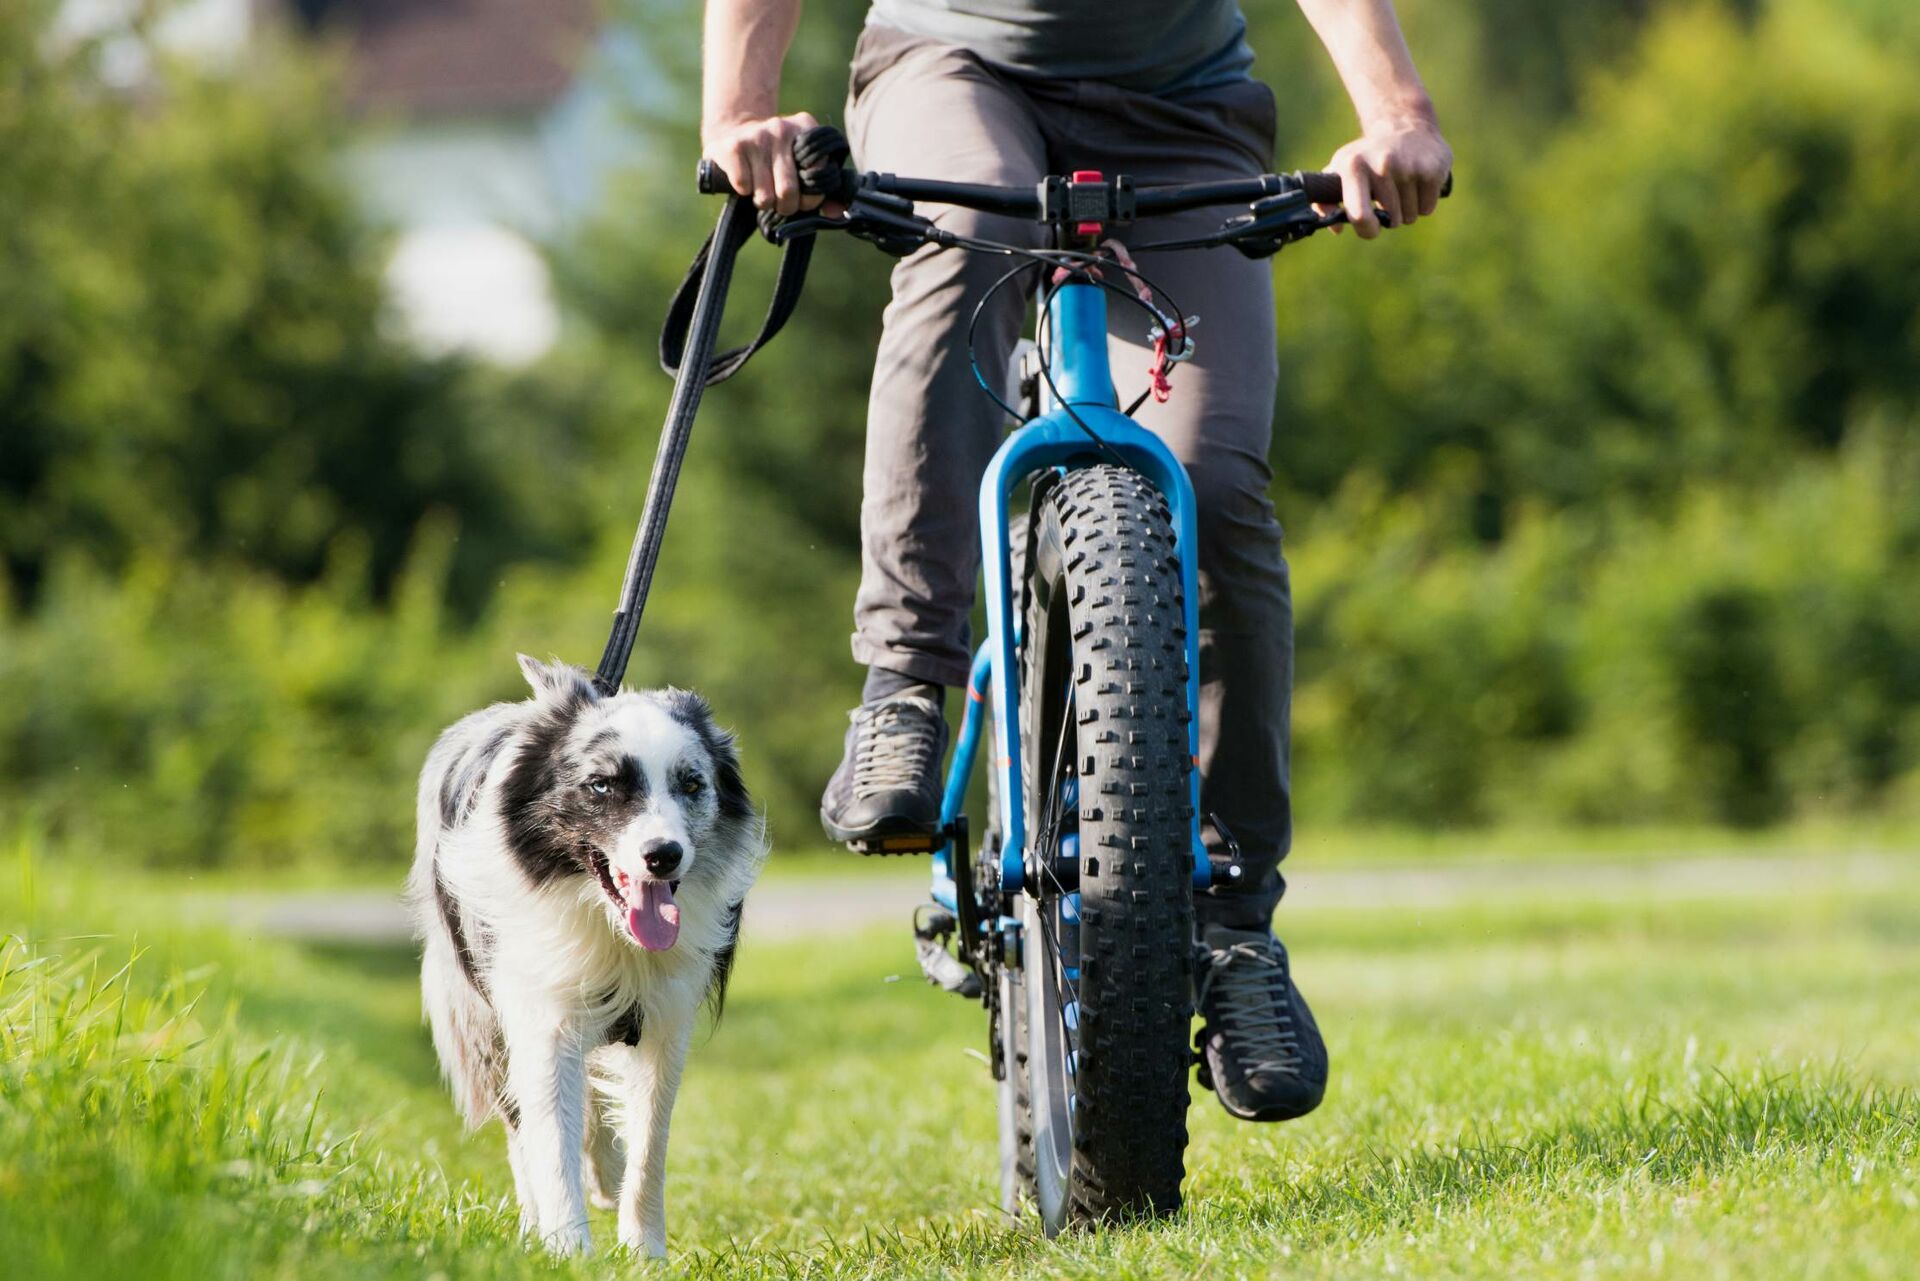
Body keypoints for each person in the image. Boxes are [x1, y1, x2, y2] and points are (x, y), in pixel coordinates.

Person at [701, 0, 1451, 1122]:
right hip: (952, 69)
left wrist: (1396, 116)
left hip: (1182, 106)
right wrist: (740, 115)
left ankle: (1237, 927)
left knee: (1213, 482)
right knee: (971, 244)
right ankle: (906, 680)